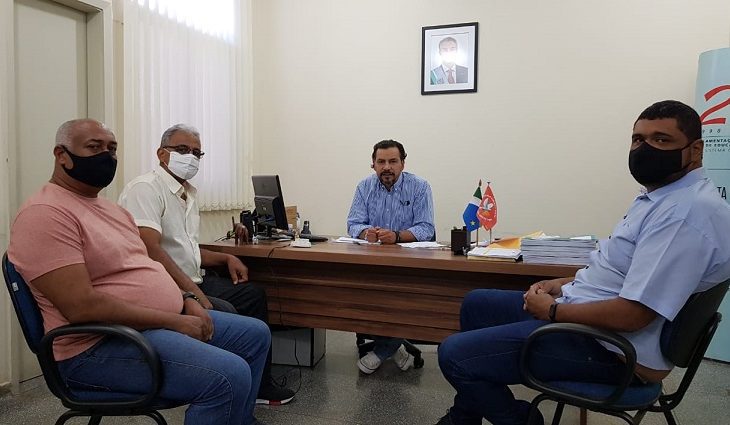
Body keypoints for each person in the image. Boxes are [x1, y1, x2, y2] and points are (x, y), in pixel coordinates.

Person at [434, 100, 730, 425]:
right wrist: (563, 285)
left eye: (661, 140)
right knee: (476, 304)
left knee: (454, 355)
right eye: (638, 139)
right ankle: (464, 418)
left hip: (615, 352)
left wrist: (552, 312)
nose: (644, 149)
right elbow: (620, 272)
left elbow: (634, 315)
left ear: (696, 150)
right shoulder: (663, 197)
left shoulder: (684, 215)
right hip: (596, 326)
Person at [8, 119, 270, 425]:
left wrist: (187, 299)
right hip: (96, 346)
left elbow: (146, 267)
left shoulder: (110, 210)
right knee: (228, 375)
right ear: (61, 155)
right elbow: (81, 307)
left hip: (146, 325)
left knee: (255, 335)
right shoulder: (46, 214)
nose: (106, 156)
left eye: (112, 149)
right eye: (94, 147)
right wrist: (174, 321)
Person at [118, 124, 295, 406]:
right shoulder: (146, 189)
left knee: (253, 295)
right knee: (226, 310)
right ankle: (222, 382)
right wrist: (194, 294)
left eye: (197, 153)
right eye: (182, 150)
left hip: (193, 279)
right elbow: (150, 249)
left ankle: (259, 386)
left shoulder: (187, 193)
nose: (191, 157)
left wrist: (226, 258)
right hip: (167, 287)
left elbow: (185, 249)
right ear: (161, 153)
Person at [347, 139, 435, 374]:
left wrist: (396, 236)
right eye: (381, 162)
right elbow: (353, 224)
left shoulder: (420, 187)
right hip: (372, 263)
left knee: (396, 296)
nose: (387, 167)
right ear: (373, 164)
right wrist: (367, 232)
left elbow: (426, 228)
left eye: (393, 161)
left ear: (403, 163)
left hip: (409, 266)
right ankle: (394, 347)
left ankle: (382, 350)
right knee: (363, 293)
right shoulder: (364, 187)